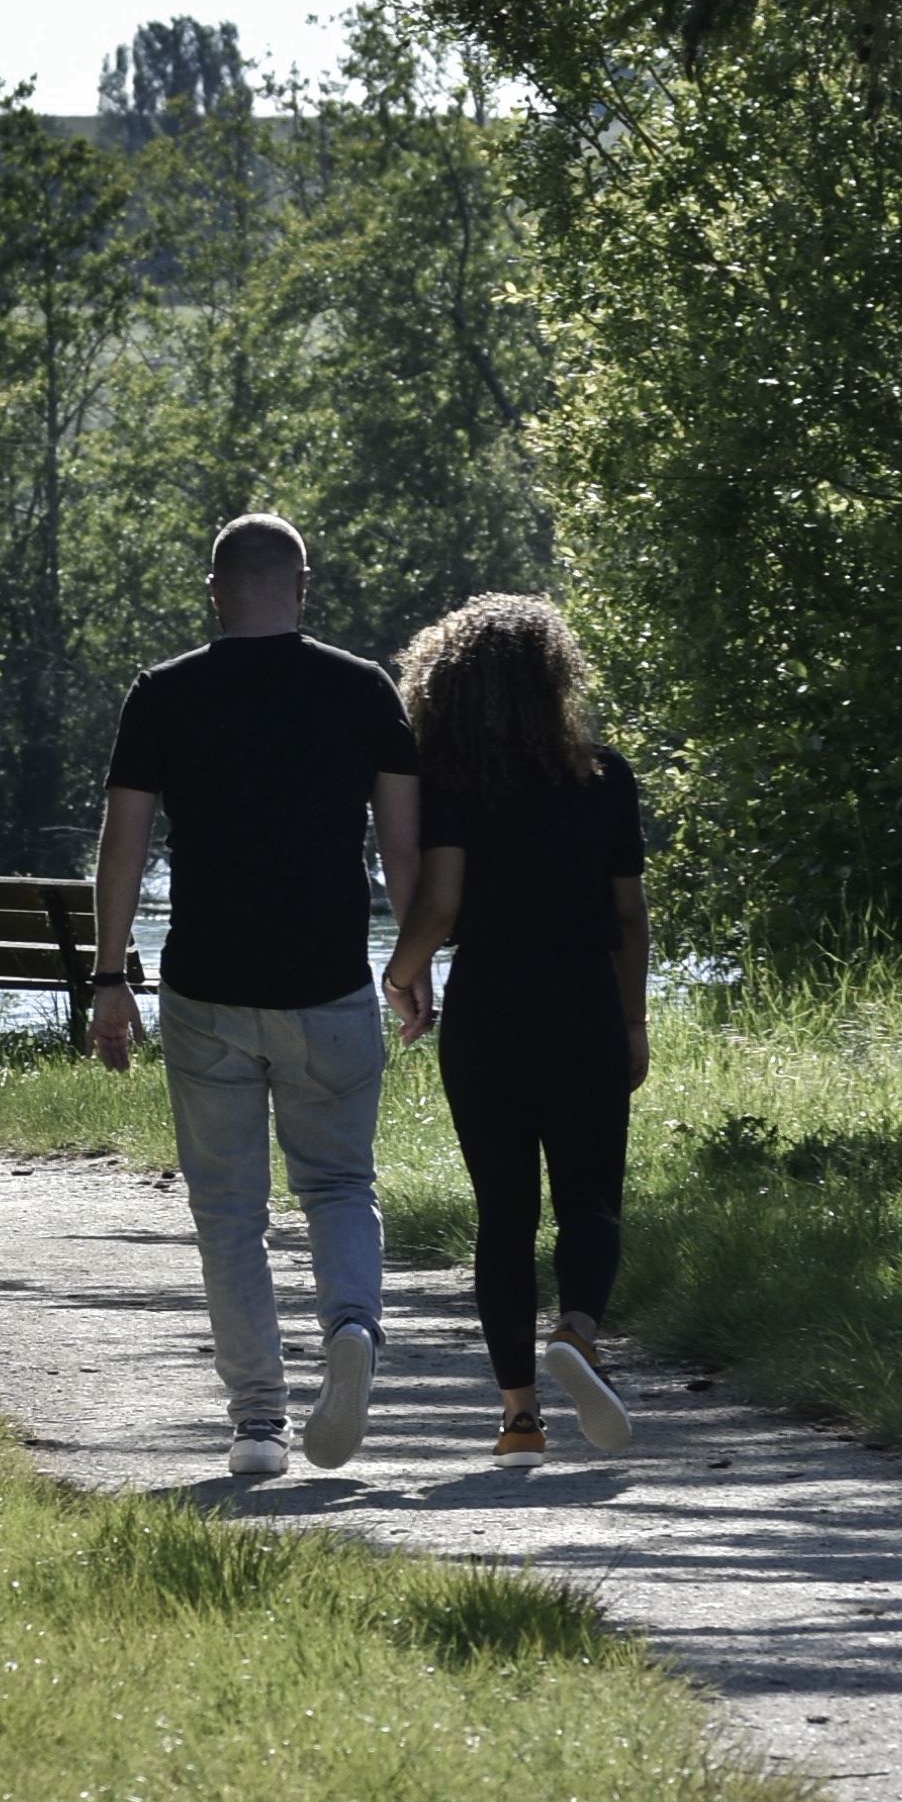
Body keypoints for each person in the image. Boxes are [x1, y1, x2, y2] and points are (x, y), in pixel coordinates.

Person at [94, 514, 418, 1486]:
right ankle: (352, 1326)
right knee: (337, 1186)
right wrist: (413, 963)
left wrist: (111, 979)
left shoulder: (163, 693)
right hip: (327, 981)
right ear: (302, 588)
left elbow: (121, 845)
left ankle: (258, 1425)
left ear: (214, 590)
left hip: (207, 983)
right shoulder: (364, 690)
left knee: (229, 1212)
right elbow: (403, 850)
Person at [381, 591, 647, 1459]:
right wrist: (632, 1023)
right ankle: (576, 1329)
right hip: (584, 1004)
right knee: (591, 1198)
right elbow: (631, 916)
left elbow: (443, 903)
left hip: (491, 1007)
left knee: (504, 1216)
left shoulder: (455, 786)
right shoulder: (606, 777)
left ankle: (519, 1418)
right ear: (555, 680)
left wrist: (400, 971)